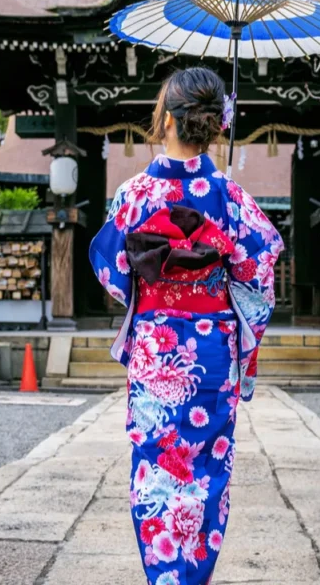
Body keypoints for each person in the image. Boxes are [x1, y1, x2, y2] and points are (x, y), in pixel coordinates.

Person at [88, 66, 282, 585]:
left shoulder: (133, 195)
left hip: (157, 348)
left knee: (155, 465)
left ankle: (163, 576)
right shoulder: (231, 198)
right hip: (213, 349)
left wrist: (154, 291)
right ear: (217, 125)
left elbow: (111, 269)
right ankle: (194, 576)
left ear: (167, 120)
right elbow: (259, 272)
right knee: (205, 471)